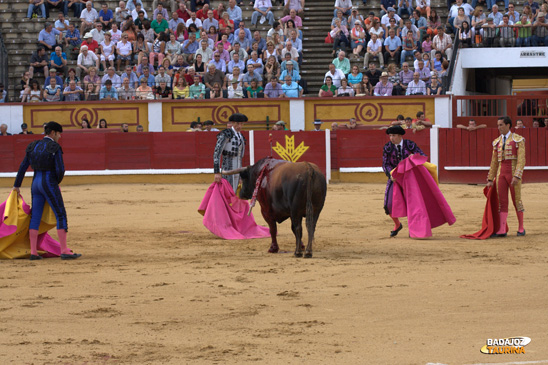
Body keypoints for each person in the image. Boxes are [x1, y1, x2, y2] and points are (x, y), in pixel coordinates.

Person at [13, 121, 81, 260]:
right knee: (60, 214)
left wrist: (16, 186)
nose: (60, 137)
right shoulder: (54, 147)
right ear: (53, 133)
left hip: (35, 183)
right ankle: (64, 250)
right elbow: (60, 169)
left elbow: (23, 167)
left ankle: (33, 252)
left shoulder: (33, 145)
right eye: (59, 134)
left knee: (35, 216)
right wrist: (55, 184)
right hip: (48, 182)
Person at [382, 125, 425, 237]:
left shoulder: (409, 145)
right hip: (395, 178)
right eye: (390, 135)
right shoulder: (387, 147)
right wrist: (390, 174)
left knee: (413, 205)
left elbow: (422, 156)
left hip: (410, 179)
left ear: (400, 136)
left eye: (394, 135)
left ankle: (414, 229)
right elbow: (385, 164)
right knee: (388, 204)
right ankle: (397, 224)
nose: (391, 138)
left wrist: (413, 157)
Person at [487, 116, 526, 237]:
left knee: (516, 200)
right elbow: (494, 162)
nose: (499, 128)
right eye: (498, 125)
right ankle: (502, 229)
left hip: (513, 173)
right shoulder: (496, 142)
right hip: (501, 174)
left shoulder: (518, 140)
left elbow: (521, 160)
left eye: (501, 125)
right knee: (502, 202)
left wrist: (517, 176)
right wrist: (490, 179)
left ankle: (521, 227)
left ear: (508, 125)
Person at [213, 113, 247, 192]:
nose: (239, 126)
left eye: (242, 124)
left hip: (238, 168)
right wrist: (217, 172)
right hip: (228, 168)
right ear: (232, 123)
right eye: (237, 123)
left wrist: (240, 174)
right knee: (227, 192)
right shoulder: (225, 134)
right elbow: (216, 154)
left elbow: (240, 156)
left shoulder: (241, 136)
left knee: (235, 192)